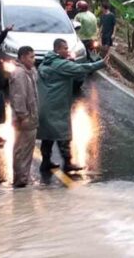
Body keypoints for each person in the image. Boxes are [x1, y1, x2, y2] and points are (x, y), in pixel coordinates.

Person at [38, 38, 107, 172]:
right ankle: (68, 163)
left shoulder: (46, 63)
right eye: (65, 48)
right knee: (63, 135)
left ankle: (45, 162)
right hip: (57, 107)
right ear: (57, 49)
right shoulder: (60, 65)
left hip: (45, 106)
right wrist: (101, 63)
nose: (67, 50)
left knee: (48, 137)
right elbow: (81, 68)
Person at [10, 46, 39, 187]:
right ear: (22, 58)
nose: (34, 60)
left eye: (34, 57)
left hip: (31, 116)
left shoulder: (29, 71)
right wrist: (23, 116)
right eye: (31, 57)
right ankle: (20, 179)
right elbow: (19, 97)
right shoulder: (20, 74)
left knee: (26, 150)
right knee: (22, 150)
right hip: (25, 119)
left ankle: (23, 177)